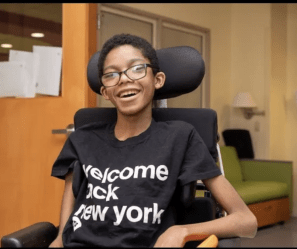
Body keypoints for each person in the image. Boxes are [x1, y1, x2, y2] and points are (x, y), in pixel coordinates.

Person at [49, 34, 257, 248]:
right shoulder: (82, 138)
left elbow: (246, 221)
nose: (124, 79)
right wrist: (57, 242)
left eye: (137, 68)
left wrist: (182, 231)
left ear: (157, 80)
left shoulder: (180, 137)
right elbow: (63, 233)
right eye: (111, 74)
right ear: (105, 92)